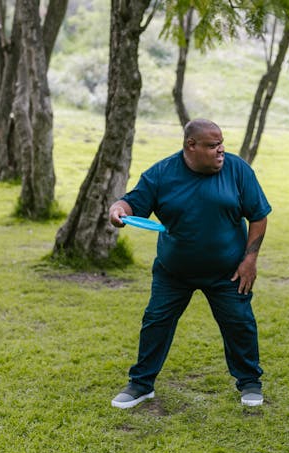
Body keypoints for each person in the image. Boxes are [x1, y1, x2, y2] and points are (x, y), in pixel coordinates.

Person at [108, 119, 272, 408]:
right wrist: (118, 209)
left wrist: (250, 259)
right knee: (155, 322)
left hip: (228, 272)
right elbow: (133, 203)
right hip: (174, 272)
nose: (220, 150)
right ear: (191, 146)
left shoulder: (238, 170)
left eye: (222, 144)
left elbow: (258, 215)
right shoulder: (162, 174)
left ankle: (249, 383)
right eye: (212, 146)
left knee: (239, 324)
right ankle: (141, 384)